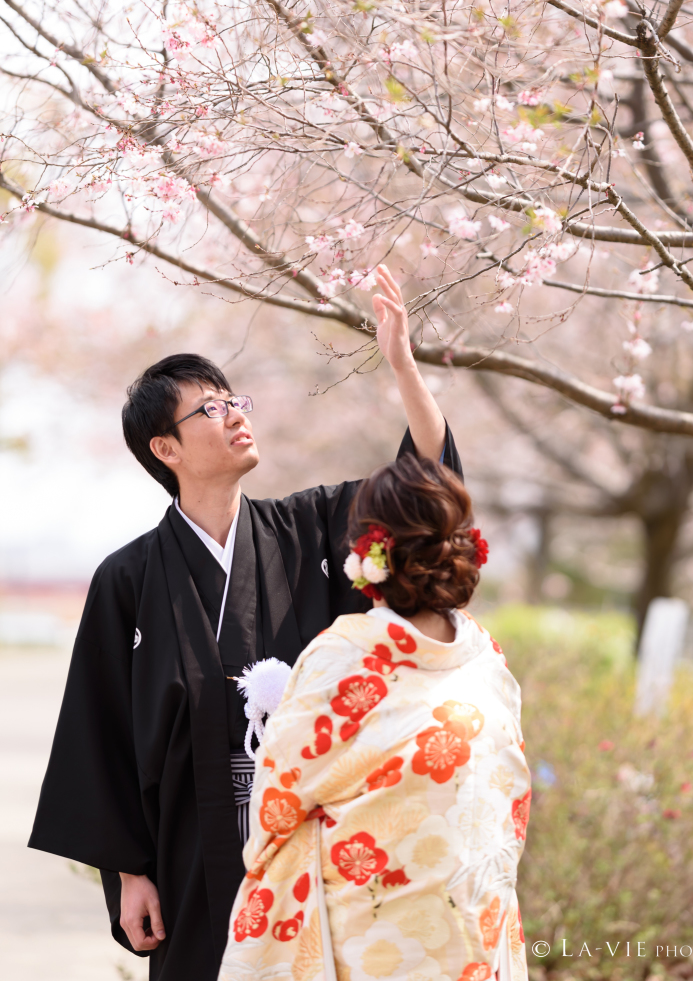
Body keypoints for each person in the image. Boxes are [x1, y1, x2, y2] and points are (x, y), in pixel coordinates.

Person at [28, 266, 460, 981]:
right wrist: (128, 874)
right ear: (165, 449)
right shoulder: (127, 579)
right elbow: (97, 733)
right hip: (191, 852)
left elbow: (424, 489)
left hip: (315, 839)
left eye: (236, 401)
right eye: (210, 410)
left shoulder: (313, 528)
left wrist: (404, 366)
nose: (236, 415)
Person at [219, 453, 531, 981]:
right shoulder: (488, 661)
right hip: (472, 925)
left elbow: (276, 805)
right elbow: (511, 806)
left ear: (367, 552)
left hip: (372, 938)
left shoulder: (344, 656)